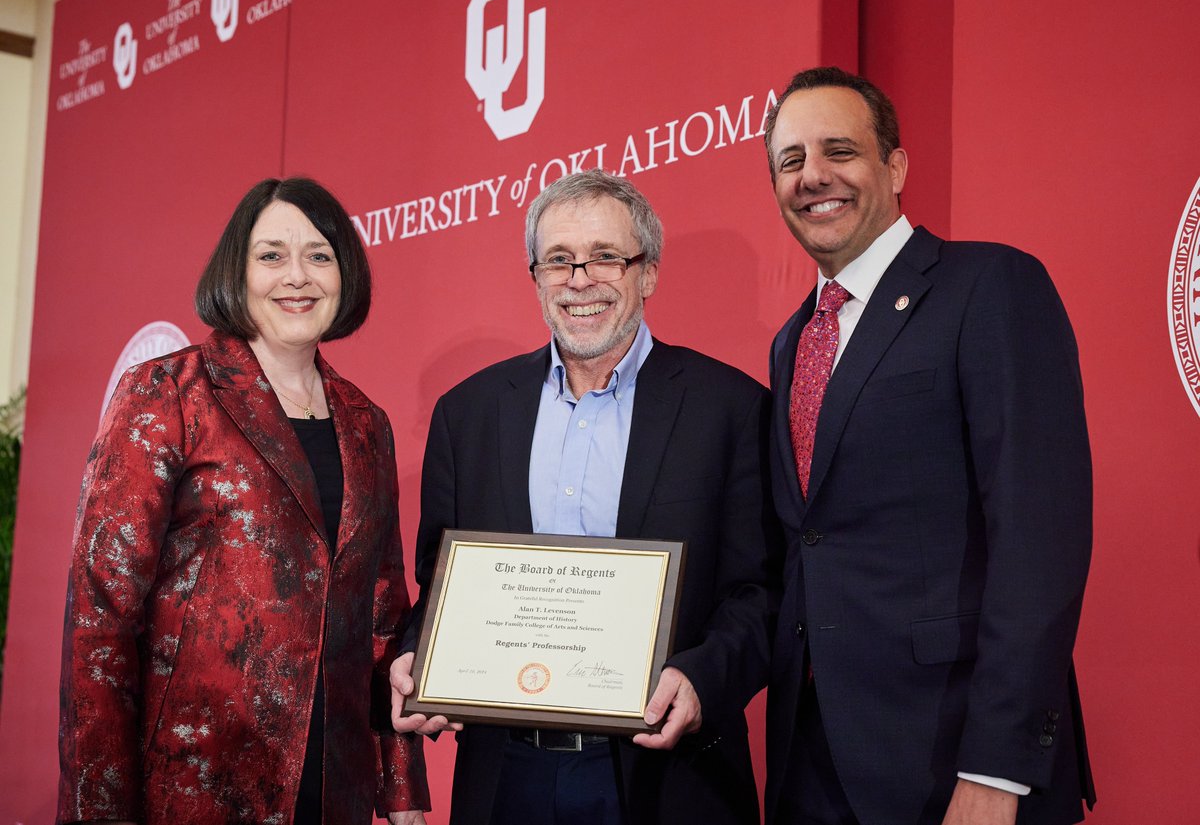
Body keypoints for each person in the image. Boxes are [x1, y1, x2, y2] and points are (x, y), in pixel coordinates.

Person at [389, 169, 779, 825]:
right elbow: (441, 587)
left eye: (605, 257)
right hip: (506, 773)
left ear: (647, 272)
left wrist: (701, 679)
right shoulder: (469, 415)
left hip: (670, 778)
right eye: (559, 261)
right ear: (535, 276)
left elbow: (762, 591)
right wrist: (415, 655)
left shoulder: (731, 409)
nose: (579, 279)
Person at [761, 66, 1096, 825]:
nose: (813, 176)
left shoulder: (991, 287)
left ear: (896, 166)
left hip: (954, 766)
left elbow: (1039, 541)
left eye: (838, 150)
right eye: (791, 160)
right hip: (813, 768)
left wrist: (996, 770)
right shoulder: (791, 342)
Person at [57, 178, 429, 825]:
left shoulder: (368, 423)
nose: (297, 275)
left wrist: (400, 793)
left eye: (319, 254)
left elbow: (382, 622)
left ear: (346, 273)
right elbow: (102, 622)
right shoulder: (169, 392)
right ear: (238, 268)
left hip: (332, 792)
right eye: (272, 255)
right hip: (193, 789)